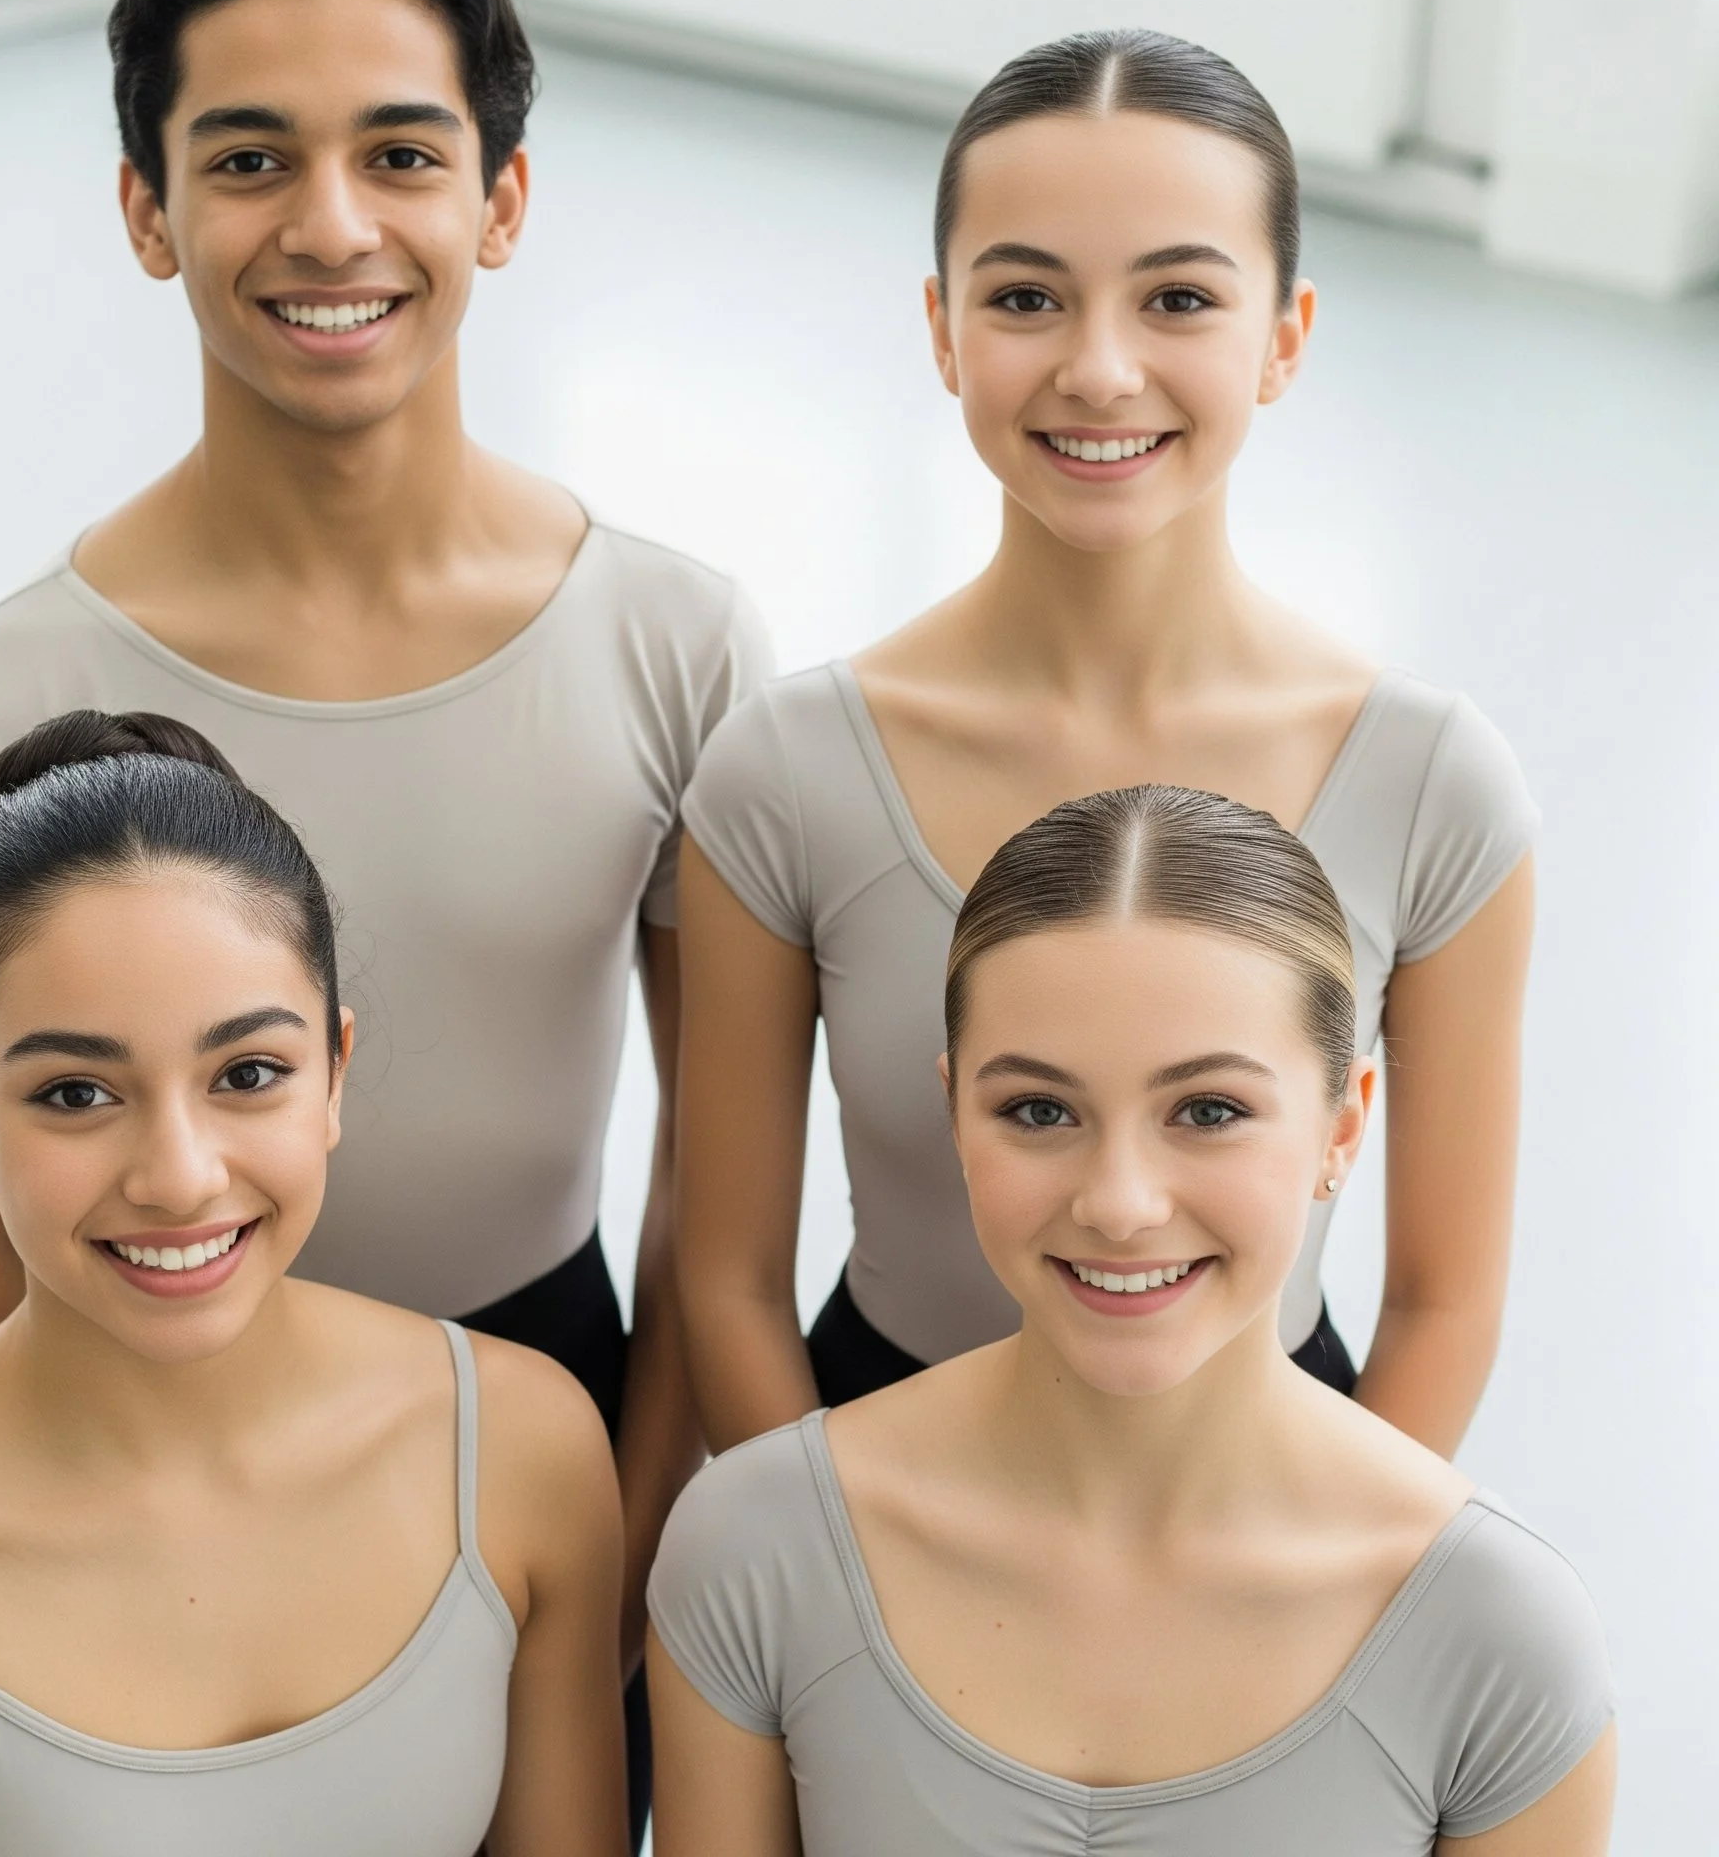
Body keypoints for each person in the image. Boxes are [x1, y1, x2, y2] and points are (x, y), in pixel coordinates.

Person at [0, 0, 767, 1823]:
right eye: (249, 158)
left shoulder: (674, 647)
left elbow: (720, 1193)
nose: (330, 226)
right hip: (147, 1412)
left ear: (500, 204)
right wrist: (169, 1532)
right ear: (146, 208)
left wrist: (600, 1551)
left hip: (561, 1399)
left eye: (402, 154)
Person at [676, 29, 1533, 1459]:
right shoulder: (786, 774)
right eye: (1027, 297)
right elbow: (727, 1282)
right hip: (875, 1465)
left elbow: (1445, 1299)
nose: (1100, 369)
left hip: (1274, 1488)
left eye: (1179, 297)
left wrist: (1326, 1596)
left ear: (1284, 338)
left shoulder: (1434, 787)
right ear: (944, 327)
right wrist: (824, 1580)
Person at [0, 714, 626, 1855]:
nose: (180, 1177)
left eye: (247, 1071)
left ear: (332, 1071)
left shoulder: (520, 1450)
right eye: (77, 1093)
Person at [649, 786, 1613, 1855]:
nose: (1117, 1201)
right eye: (1037, 1109)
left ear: (1342, 1126)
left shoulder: (1498, 1632)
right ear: (953, 1111)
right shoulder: (752, 1548)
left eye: (1207, 1110)